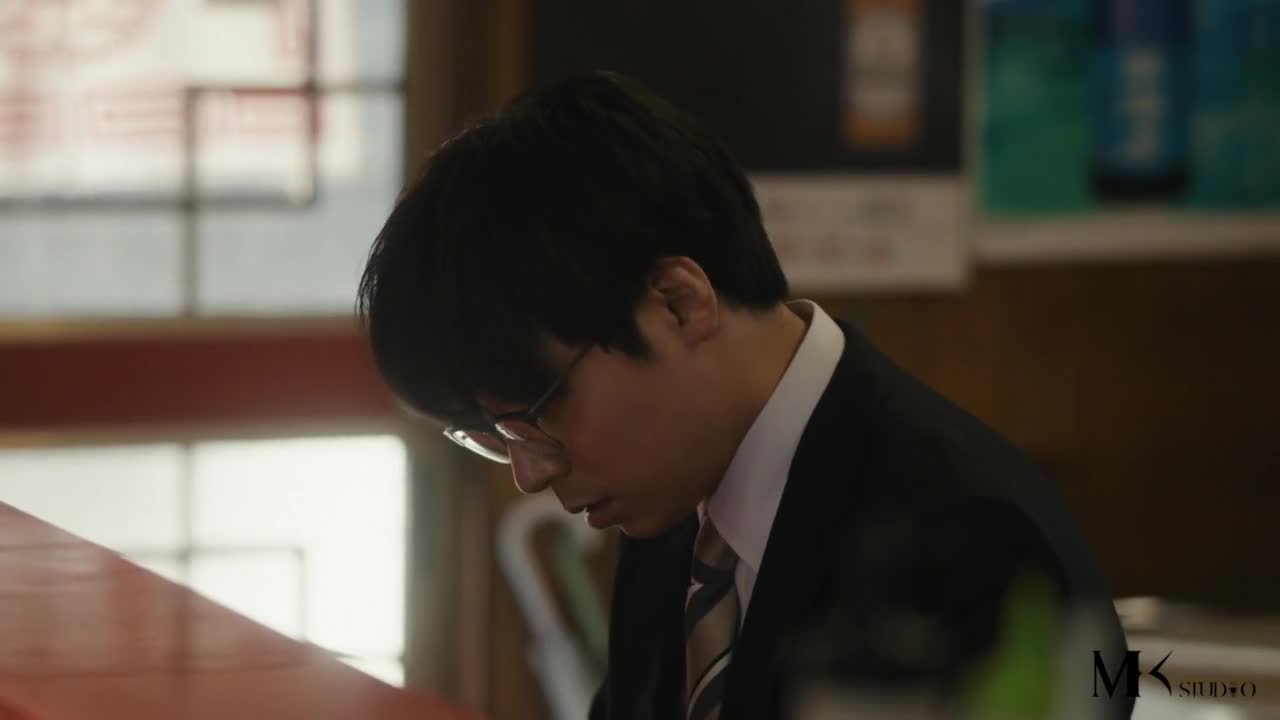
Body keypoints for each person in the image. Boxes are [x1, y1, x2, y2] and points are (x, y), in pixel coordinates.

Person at [356, 70, 1133, 720]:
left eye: (540, 410)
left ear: (679, 303)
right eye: (494, 435)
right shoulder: (676, 501)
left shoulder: (974, 542)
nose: (530, 472)